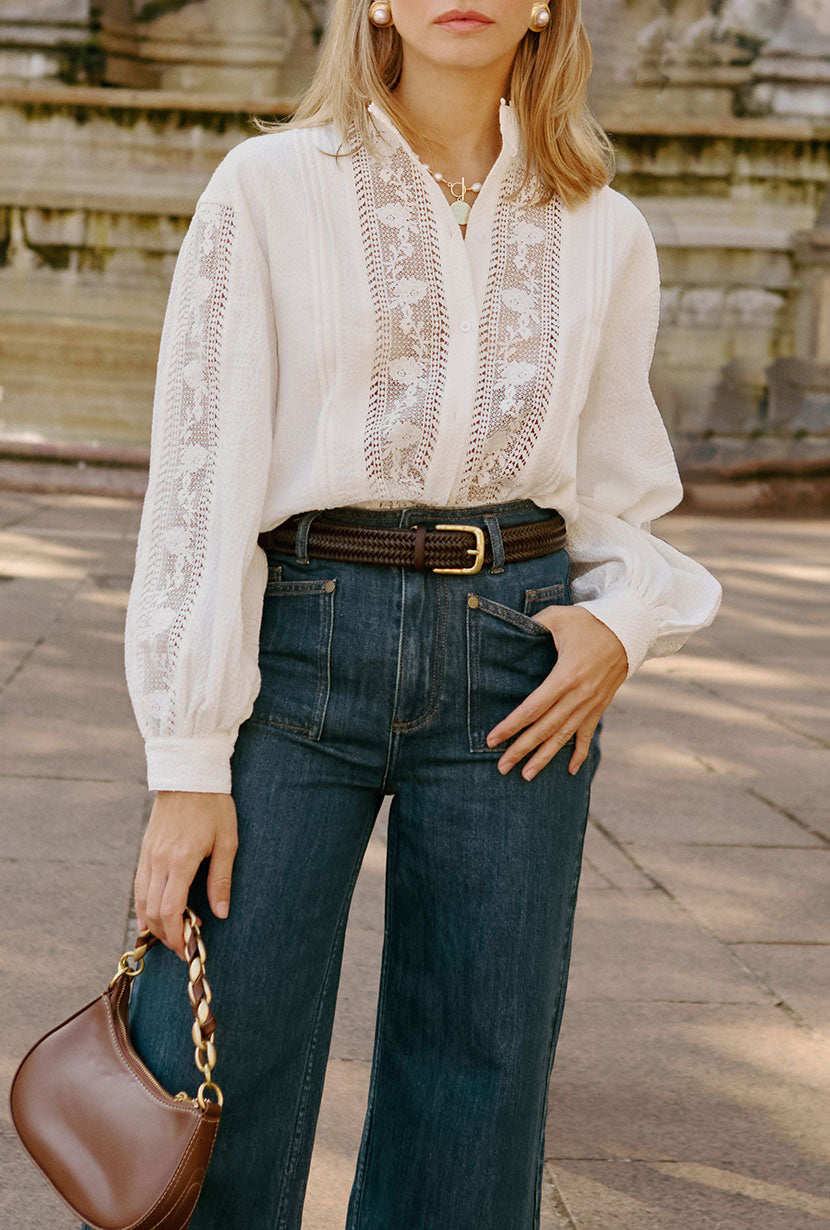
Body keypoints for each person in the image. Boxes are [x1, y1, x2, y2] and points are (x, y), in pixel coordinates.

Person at [91, 1, 723, 1227]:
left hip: (516, 656)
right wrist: (184, 758)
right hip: (300, 640)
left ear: (547, 4)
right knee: (217, 1047)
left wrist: (624, 620)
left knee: (477, 1070)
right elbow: (201, 473)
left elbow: (612, 485)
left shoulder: (602, 224)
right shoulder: (267, 187)